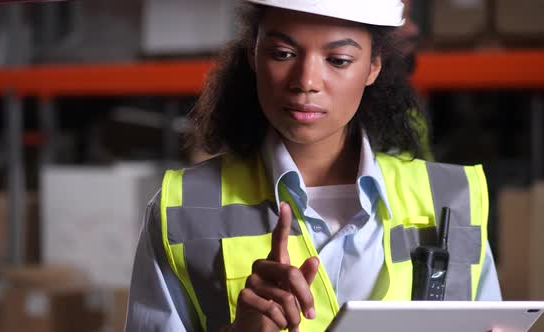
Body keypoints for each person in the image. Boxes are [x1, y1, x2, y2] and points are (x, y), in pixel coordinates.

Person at [126, 0, 501, 331]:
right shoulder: (184, 208)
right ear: (252, 55)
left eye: (338, 60)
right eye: (283, 53)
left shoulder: (451, 200)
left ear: (373, 67)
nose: (306, 81)